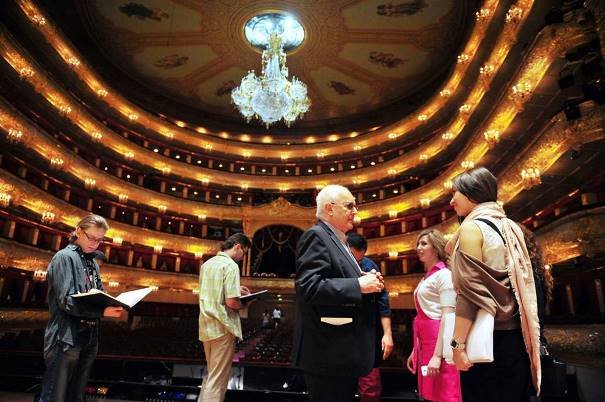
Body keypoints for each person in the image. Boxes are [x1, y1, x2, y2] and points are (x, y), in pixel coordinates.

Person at [447, 167, 541, 402]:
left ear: (472, 193)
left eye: (455, 193)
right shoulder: (509, 227)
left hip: (486, 339)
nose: (451, 200)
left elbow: (469, 294)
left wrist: (457, 345)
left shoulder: (471, 228)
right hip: (515, 339)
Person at [293, 184, 384, 402]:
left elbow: (335, 277)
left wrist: (364, 278)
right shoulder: (316, 235)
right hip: (328, 352)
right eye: (349, 205)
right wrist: (359, 285)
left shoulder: (338, 239)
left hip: (339, 351)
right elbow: (308, 286)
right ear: (329, 208)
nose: (355, 211)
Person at [38, 214, 123, 402]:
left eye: (99, 240)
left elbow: (97, 294)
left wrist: (114, 302)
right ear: (78, 231)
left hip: (90, 334)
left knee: (76, 396)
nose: (95, 244)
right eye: (91, 238)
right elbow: (66, 301)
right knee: (55, 395)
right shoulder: (64, 257)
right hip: (66, 336)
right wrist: (102, 311)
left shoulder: (92, 262)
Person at [406, 229, 461, 402]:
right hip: (427, 341)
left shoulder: (444, 275)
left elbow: (447, 316)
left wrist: (438, 356)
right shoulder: (428, 277)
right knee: (432, 393)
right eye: (418, 244)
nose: (419, 248)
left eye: (424, 244)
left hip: (440, 341)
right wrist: (416, 351)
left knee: (445, 392)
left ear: (436, 248)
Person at [198, 233, 251, 402]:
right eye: (244, 252)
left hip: (206, 324)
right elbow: (231, 302)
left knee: (212, 374)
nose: (243, 257)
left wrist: (236, 288)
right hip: (223, 325)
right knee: (218, 379)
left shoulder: (207, 264)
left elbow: (213, 291)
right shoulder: (231, 265)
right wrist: (246, 303)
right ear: (237, 246)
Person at [347, 232, 394, 402]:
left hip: (368, 330)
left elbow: (383, 302)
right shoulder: (335, 263)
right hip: (343, 332)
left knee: (370, 386)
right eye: (352, 259)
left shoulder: (370, 266)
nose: (357, 264)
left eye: (359, 261)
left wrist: (387, 334)